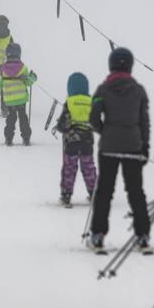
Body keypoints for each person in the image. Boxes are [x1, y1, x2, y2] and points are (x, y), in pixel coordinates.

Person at [86, 47, 151, 252]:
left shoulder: (103, 89)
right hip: (133, 146)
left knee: (104, 192)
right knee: (136, 192)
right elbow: (144, 122)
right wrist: (144, 146)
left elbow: (93, 118)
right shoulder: (139, 90)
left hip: (109, 147)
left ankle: (98, 235)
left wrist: (104, 131)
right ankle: (142, 236)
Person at [55, 72, 98, 207]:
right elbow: (96, 123)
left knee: (69, 168)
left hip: (71, 142)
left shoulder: (69, 103)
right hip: (87, 142)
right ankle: (94, 193)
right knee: (89, 167)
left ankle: (66, 196)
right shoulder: (91, 103)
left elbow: (63, 124)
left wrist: (62, 128)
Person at [0, 43, 37, 146]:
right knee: (23, 117)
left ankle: (8, 138)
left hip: (9, 99)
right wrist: (33, 77)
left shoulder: (3, 69)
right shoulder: (23, 68)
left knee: (11, 118)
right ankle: (26, 138)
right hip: (21, 98)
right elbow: (28, 82)